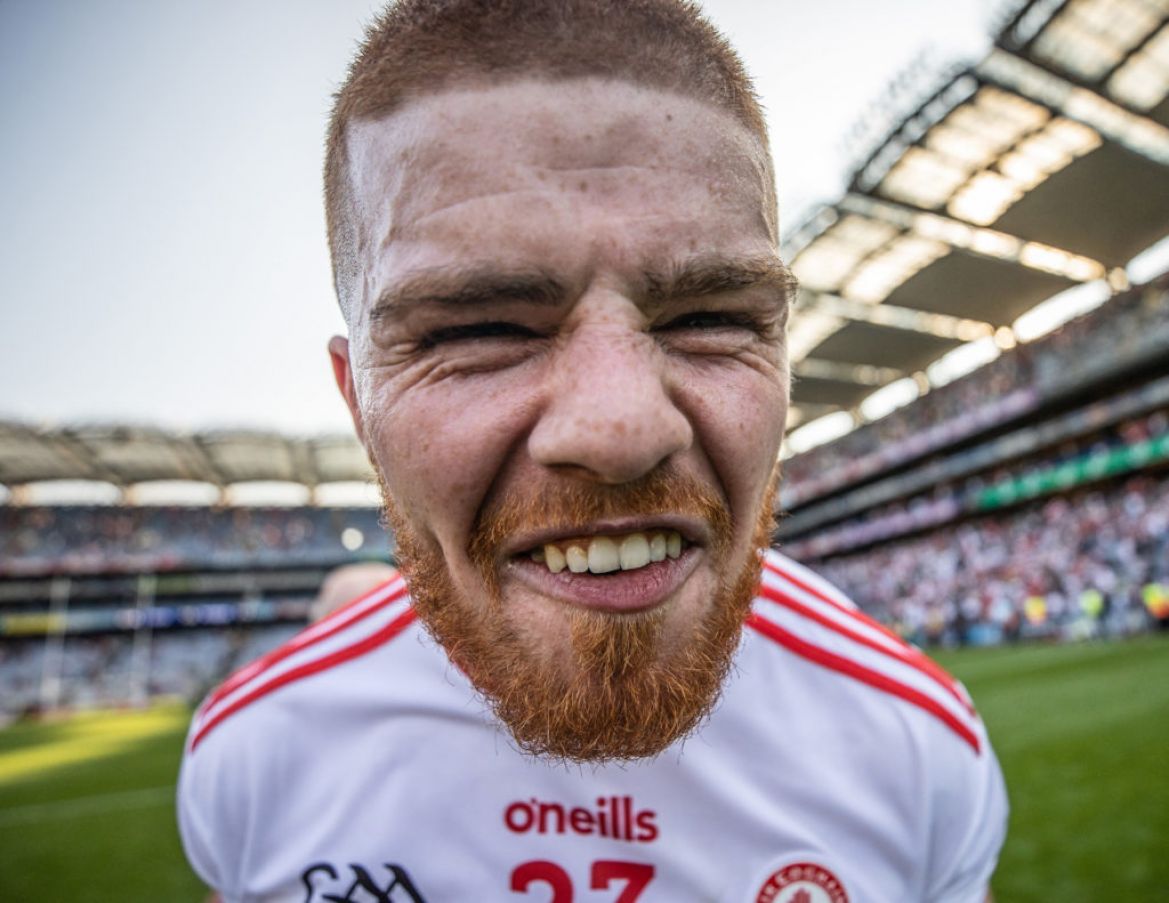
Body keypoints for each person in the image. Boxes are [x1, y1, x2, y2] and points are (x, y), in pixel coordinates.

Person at [178, 2, 1007, 900]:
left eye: (712, 319)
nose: (621, 432)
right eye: (483, 328)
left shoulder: (918, 753)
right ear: (358, 404)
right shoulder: (257, 753)